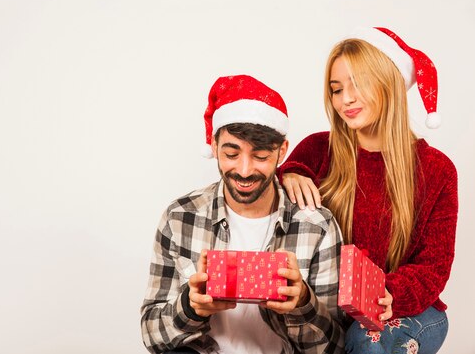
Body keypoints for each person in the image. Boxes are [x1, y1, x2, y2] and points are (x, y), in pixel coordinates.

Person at [279, 27, 458, 354]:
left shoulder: (436, 169)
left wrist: (387, 293)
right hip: (333, 308)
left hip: (410, 309)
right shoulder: (318, 149)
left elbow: (434, 268)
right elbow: (269, 205)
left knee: (367, 340)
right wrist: (289, 172)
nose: (345, 99)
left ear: (389, 83)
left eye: (357, 84)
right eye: (336, 89)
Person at [140, 75, 345, 354]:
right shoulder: (180, 218)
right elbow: (152, 337)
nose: (245, 170)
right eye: (231, 154)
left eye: (260, 156)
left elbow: (336, 347)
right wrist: (190, 306)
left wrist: (303, 303)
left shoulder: (316, 225)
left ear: (282, 151)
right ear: (214, 147)